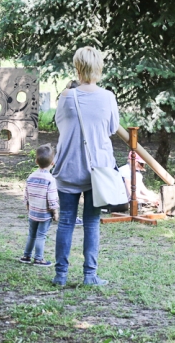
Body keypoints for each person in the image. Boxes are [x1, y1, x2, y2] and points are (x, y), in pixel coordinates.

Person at [52, 46, 119, 286]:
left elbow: (61, 125)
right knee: (91, 223)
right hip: (98, 170)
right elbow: (112, 129)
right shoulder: (108, 97)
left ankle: (60, 275)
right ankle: (89, 275)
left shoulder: (66, 97)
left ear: (77, 67)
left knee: (67, 221)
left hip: (69, 164)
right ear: (99, 67)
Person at [19, 144, 59, 267]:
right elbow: (52, 198)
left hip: (32, 212)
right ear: (53, 163)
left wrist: (28, 206)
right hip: (44, 214)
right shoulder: (50, 180)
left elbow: (26, 194)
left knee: (31, 234)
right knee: (41, 235)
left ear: (36, 161)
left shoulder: (31, 177)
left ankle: (26, 256)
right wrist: (55, 212)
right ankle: (39, 259)